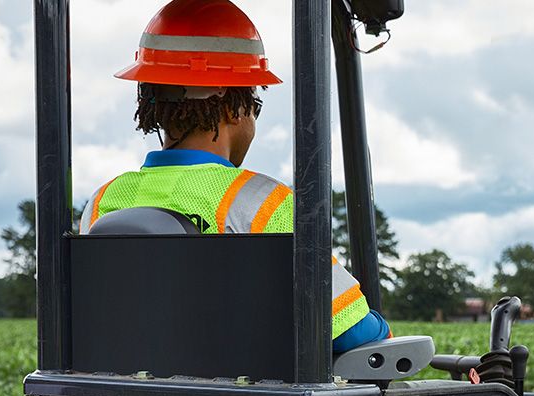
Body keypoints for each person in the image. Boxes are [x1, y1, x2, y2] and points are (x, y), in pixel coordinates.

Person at [82, 0, 388, 353]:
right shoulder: (263, 203)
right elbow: (349, 331)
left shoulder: (100, 204)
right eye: (253, 103)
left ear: (153, 105)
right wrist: (383, 333)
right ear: (234, 107)